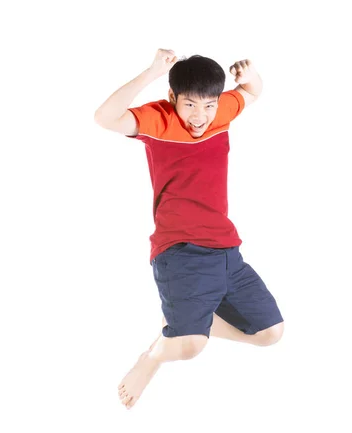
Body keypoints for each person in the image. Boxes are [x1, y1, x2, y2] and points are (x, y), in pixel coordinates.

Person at [94, 49, 284, 410]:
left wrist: (250, 73)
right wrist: (151, 72)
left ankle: (198, 318)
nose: (200, 117)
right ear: (172, 99)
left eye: (208, 105)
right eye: (190, 105)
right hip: (180, 252)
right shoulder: (158, 120)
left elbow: (254, 91)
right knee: (191, 346)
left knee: (270, 333)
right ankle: (152, 357)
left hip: (228, 251)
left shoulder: (219, 114)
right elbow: (104, 117)